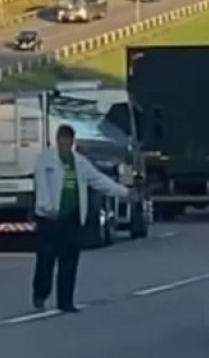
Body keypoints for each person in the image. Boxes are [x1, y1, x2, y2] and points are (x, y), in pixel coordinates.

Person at [33, 125, 135, 312]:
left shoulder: (79, 163)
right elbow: (42, 185)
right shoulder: (46, 160)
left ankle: (66, 301)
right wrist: (47, 207)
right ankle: (40, 294)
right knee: (46, 260)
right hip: (50, 218)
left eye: (68, 140)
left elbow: (99, 180)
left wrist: (123, 192)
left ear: (72, 142)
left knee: (70, 260)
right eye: (62, 140)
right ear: (57, 140)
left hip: (71, 217)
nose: (65, 144)